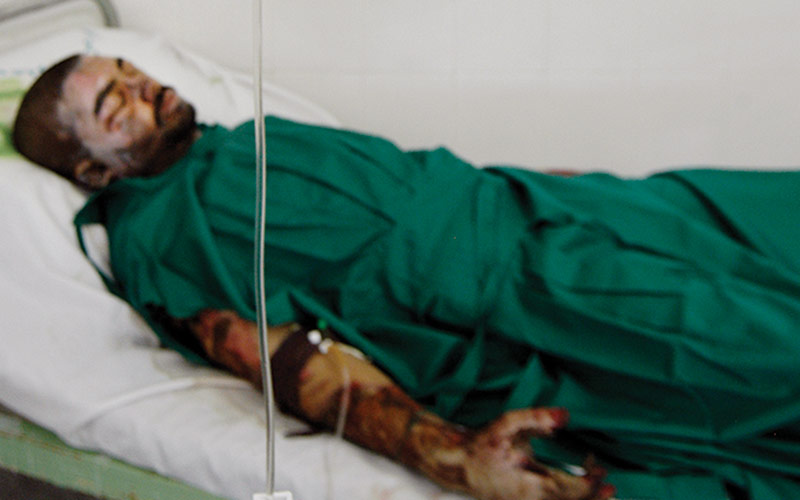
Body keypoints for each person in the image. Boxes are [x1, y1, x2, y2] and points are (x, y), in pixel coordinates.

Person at [12, 54, 800, 500]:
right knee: (750, 340)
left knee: (760, 216)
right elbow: (283, 358)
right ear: (95, 171)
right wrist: (450, 459)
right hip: (520, 294)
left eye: (130, 71)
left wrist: (557, 189)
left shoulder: (238, 139)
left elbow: (404, 187)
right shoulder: (161, 237)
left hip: (536, 209)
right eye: (117, 104)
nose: (145, 88)